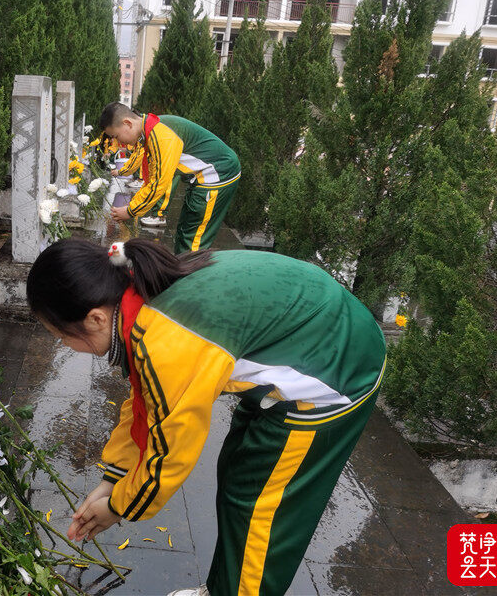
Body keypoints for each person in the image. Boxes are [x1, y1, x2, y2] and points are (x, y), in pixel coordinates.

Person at [26, 238, 387, 596]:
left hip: (335, 370)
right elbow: (146, 402)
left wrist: (120, 506)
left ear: (95, 318)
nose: (62, 344)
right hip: (314, 334)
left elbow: (172, 449)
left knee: (260, 509)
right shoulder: (140, 290)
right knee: (239, 472)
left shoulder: (166, 339)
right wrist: (114, 476)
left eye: (61, 334)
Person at [100, 102, 241, 254]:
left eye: (116, 136)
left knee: (194, 241)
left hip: (217, 174)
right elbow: (152, 179)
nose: (119, 143)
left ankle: (190, 275)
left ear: (127, 123)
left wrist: (130, 211)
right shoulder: (150, 130)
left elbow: (159, 184)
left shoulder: (160, 135)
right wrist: (131, 207)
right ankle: (182, 269)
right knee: (184, 230)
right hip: (202, 177)